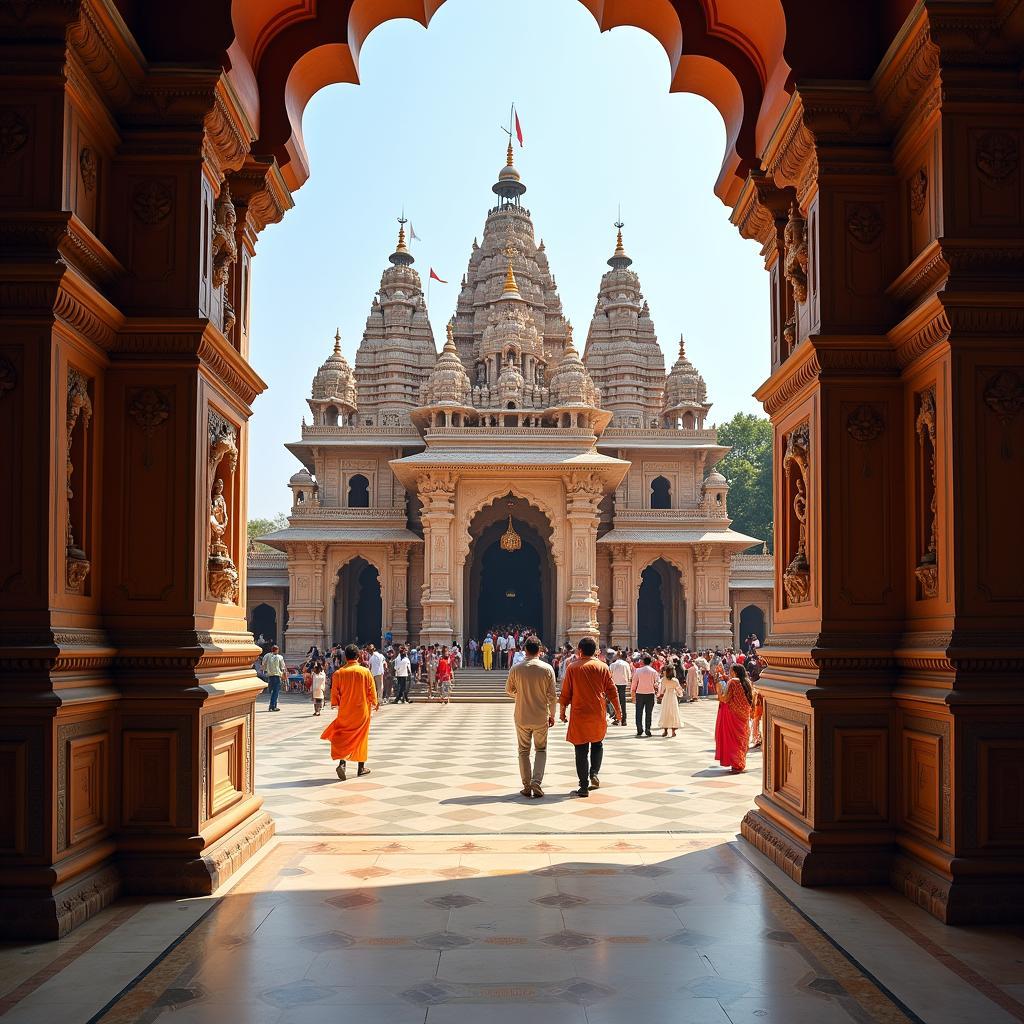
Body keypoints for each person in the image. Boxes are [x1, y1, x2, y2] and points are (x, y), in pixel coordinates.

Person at [559, 636, 621, 798]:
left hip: (579, 714)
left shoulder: (573, 668)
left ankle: (583, 786)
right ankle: (594, 773)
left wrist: (562, 711)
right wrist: (618, 711)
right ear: (595, 651)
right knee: (597, 744)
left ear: (579, 651)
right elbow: (612, 691)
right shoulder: (602, 667)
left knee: (580, 750)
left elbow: (566, 693)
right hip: (597, 713)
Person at [506, 635, 557, 798]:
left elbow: (508, 690)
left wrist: (520, 695)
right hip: (541, 716)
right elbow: (552, 696)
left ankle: (527, 785)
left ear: (524, 650)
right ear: (540, 650)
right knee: (541, 749)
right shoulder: (547, 669)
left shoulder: (516, 668)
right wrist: (553, 714)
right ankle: (536, 781)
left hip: (521, 715)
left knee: (523, 751)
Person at [321, 643, 379, 780]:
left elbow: (334, 693)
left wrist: (335, 703)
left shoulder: (339, 673)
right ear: (358, 656)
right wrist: (375, 703)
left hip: (345, 711)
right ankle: (361, 767)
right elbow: (372, 690)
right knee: (361, 738)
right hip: (362, 711)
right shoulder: (365, 672)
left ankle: (342, 764)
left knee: (342, 737)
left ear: (345, 657)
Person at [715, 662, 753, 773]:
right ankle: (740, 762)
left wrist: (719, 689)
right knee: (741, 738)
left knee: (732, 739)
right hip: (744, 714)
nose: (729, 673)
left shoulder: (732, 682)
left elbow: (726, 698)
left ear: (735, 672)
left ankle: (736, 763)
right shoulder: (747, 682)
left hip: (733, 714)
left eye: (731, 671)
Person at [630, 654, 659, 737]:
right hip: (650, 693)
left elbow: (634, 683)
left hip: (640, 693)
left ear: (643, 662)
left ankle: (639, 728)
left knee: (639, 712)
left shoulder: (638, 671)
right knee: (648, 713)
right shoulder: (654, 672)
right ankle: (648, 728)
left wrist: (633, 693)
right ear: (650, 662)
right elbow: (656, 683)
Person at [657, 664, 683, 737]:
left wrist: (660, 695)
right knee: (673, 712)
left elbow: (662, 690)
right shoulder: (675, 680)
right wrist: (680, 694)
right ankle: (673, 731)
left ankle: (665, 731)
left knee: (665, 712)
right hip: (673, 697)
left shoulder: (664, 680)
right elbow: (679, 690)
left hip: (666, 696)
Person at [608, 649, 632, 727]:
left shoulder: (612, 664)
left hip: (615, 684)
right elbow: (629, 674)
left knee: (615, 701)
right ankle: (624, 719)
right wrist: (628, 680)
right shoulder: (626, 664)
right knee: (623, 701)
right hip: (623, 684)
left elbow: (610, 675)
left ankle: (617, 718)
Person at [261, 644, 286, 712]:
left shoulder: (267, 655)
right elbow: (283, 667)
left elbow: (263, 664)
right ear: (277, 650)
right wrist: (284, 674)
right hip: (277, 675)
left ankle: (274, 705)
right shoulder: (279, 657)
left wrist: (266, 670)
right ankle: (272, 706)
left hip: (270, 675)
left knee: (272, 691)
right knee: (276, 691)